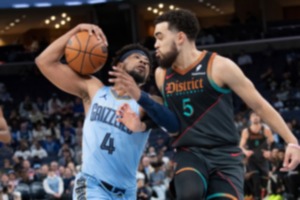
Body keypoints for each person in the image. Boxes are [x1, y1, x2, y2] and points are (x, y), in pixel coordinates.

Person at [111, 9, 300, 200]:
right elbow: (168, 112)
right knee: (190, 195)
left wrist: (291, 141)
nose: (156, 45)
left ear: (180, 37)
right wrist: (143, 112)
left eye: (160, 37)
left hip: (225, 156)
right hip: (189, 152)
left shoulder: (219, 66)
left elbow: (259, 105)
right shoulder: (162, 74)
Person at [35, 23, 179, 200]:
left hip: (127, 191)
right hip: (91, 184)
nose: (143, 61)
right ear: (119, 65)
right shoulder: (93, 89)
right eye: (137, 57)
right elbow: (44, 62)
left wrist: (141, 123)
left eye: (147, 62)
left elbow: (174, 125)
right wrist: (77, 30)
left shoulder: (148, 102)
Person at [239, 111, 274, 199]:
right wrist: (245, 151)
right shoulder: (246, 131)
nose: (255, 117)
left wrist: (270, 152)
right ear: (250, 118)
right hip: (252, 159)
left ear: (260, 118)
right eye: (253, 116)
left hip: (263, 158)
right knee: (255, 179)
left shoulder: (265, 129)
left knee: (264, 181)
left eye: (257, 115)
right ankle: (256, 197)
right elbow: (240, 146)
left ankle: (263, 196)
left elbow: (273, 143)